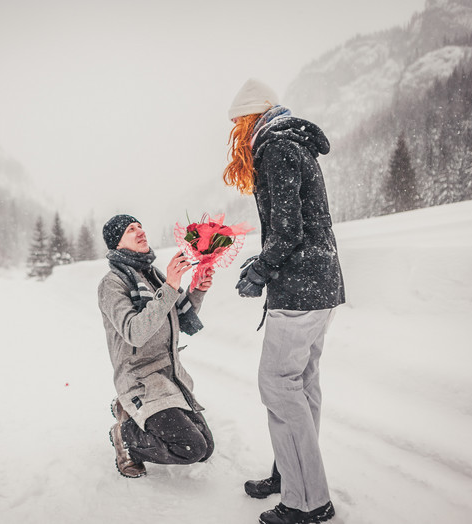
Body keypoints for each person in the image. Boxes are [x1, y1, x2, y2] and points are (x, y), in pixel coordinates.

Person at [224, 78, 345, 524]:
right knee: (303, 383)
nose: (236, 131)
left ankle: (308, 502)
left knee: (278, 384)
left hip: (299, 288)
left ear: (251, 117)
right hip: (322, 284)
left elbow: (289, 228)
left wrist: (261, 269)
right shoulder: (295, 142)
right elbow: (302, 222)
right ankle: (291, 473)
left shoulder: (275, 147)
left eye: (238, 122)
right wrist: (265, 262)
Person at [97, 214, 215, 478]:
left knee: (205, 449)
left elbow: (178, 319)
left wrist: (197, 290)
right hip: (140, 380)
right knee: (190, 449)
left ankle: (128, 410)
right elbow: (135, 333)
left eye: (140, 226)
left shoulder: (151, 275)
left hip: (169, 378)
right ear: (117, 243)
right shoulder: (112, 284)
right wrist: (171, 286)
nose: (140, 231)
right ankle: (125, 435)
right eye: (130, 229)